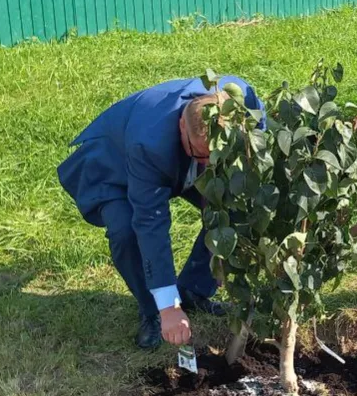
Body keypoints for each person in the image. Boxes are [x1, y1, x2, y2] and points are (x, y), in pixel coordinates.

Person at [57, 76, 265, 349]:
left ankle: (193, 289)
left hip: (174, 159)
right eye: (200, 154)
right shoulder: (149, 143)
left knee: (236, 207)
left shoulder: (244, 103)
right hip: (115, 166)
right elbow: (151, 223)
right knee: (125, 230)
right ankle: (153, 310)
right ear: (181, 124)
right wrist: (169, 308)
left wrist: (221, 247)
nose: (207, 165)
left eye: (213, 158)